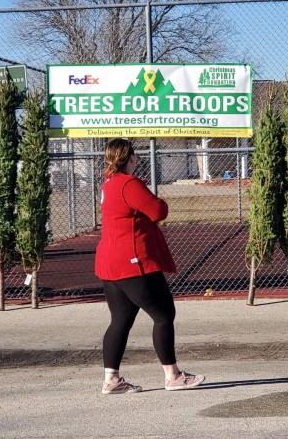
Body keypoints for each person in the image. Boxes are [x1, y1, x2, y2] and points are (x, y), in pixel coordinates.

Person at [95, 138, 206, 394]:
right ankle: (173, 376)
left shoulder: (109, 183)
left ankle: (111, 380)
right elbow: (158, 211)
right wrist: (159, 202)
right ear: (131, 158)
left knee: (120, 320)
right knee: (164, 314)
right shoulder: (129, 183)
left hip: (110, 263)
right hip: (132, 262)